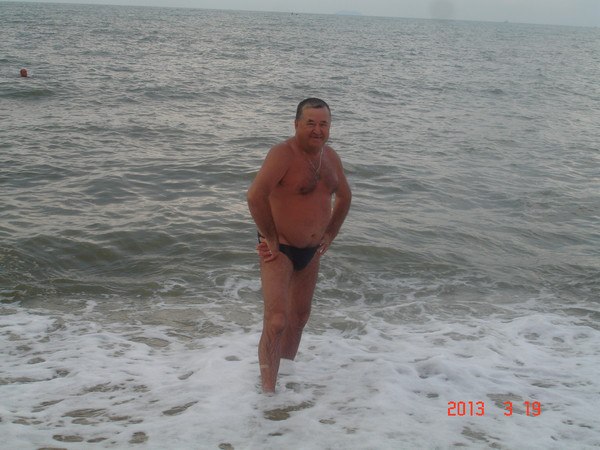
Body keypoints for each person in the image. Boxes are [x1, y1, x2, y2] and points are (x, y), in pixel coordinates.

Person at [247, 98, 352, 393]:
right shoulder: (282, 154)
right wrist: (269, 237)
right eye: (310, 123)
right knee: (277, 320)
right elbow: (255, 195)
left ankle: (286, 375)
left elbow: (345, 197)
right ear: (296, 124)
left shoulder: (331, 157)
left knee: (299, 317)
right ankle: (268, 392)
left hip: (312, 250)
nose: (318, 130)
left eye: (324, 124)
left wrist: (330, 233)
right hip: (279, 248)